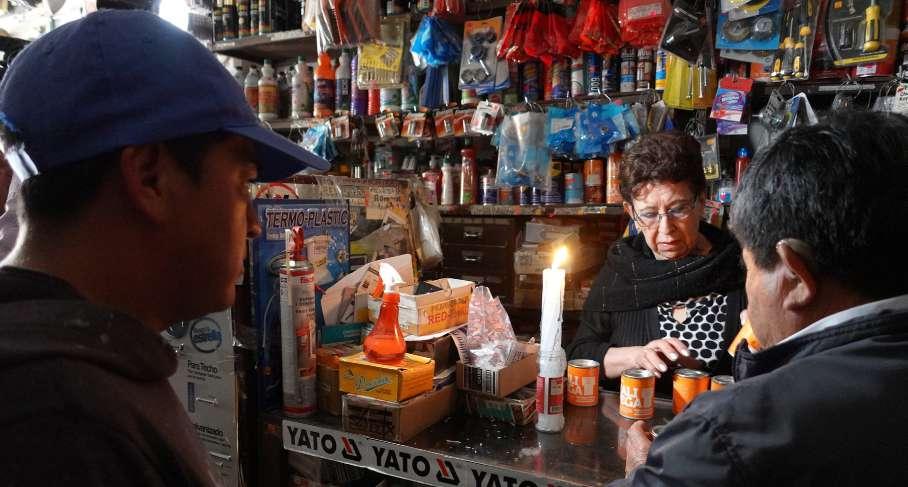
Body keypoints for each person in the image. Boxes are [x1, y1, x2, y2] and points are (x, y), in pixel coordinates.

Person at [0, 10, 328, 486]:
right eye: (242, 184)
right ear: (151, 177)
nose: (255, 225)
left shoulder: (84, 364)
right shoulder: (63, 428)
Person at [614, 111, 908, 486]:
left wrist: (643, 471)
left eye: (749, 266)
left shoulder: (726, 436)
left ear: (795, 277)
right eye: (649, 214)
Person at [567, 132, 745, 393]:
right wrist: (636, 357)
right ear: (631, 212)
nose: (665, 230)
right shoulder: (622, 269)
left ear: (700, 201)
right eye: (649, 214)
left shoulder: (738, 267)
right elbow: (579, 353)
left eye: (678, 209)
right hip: (633, 415)